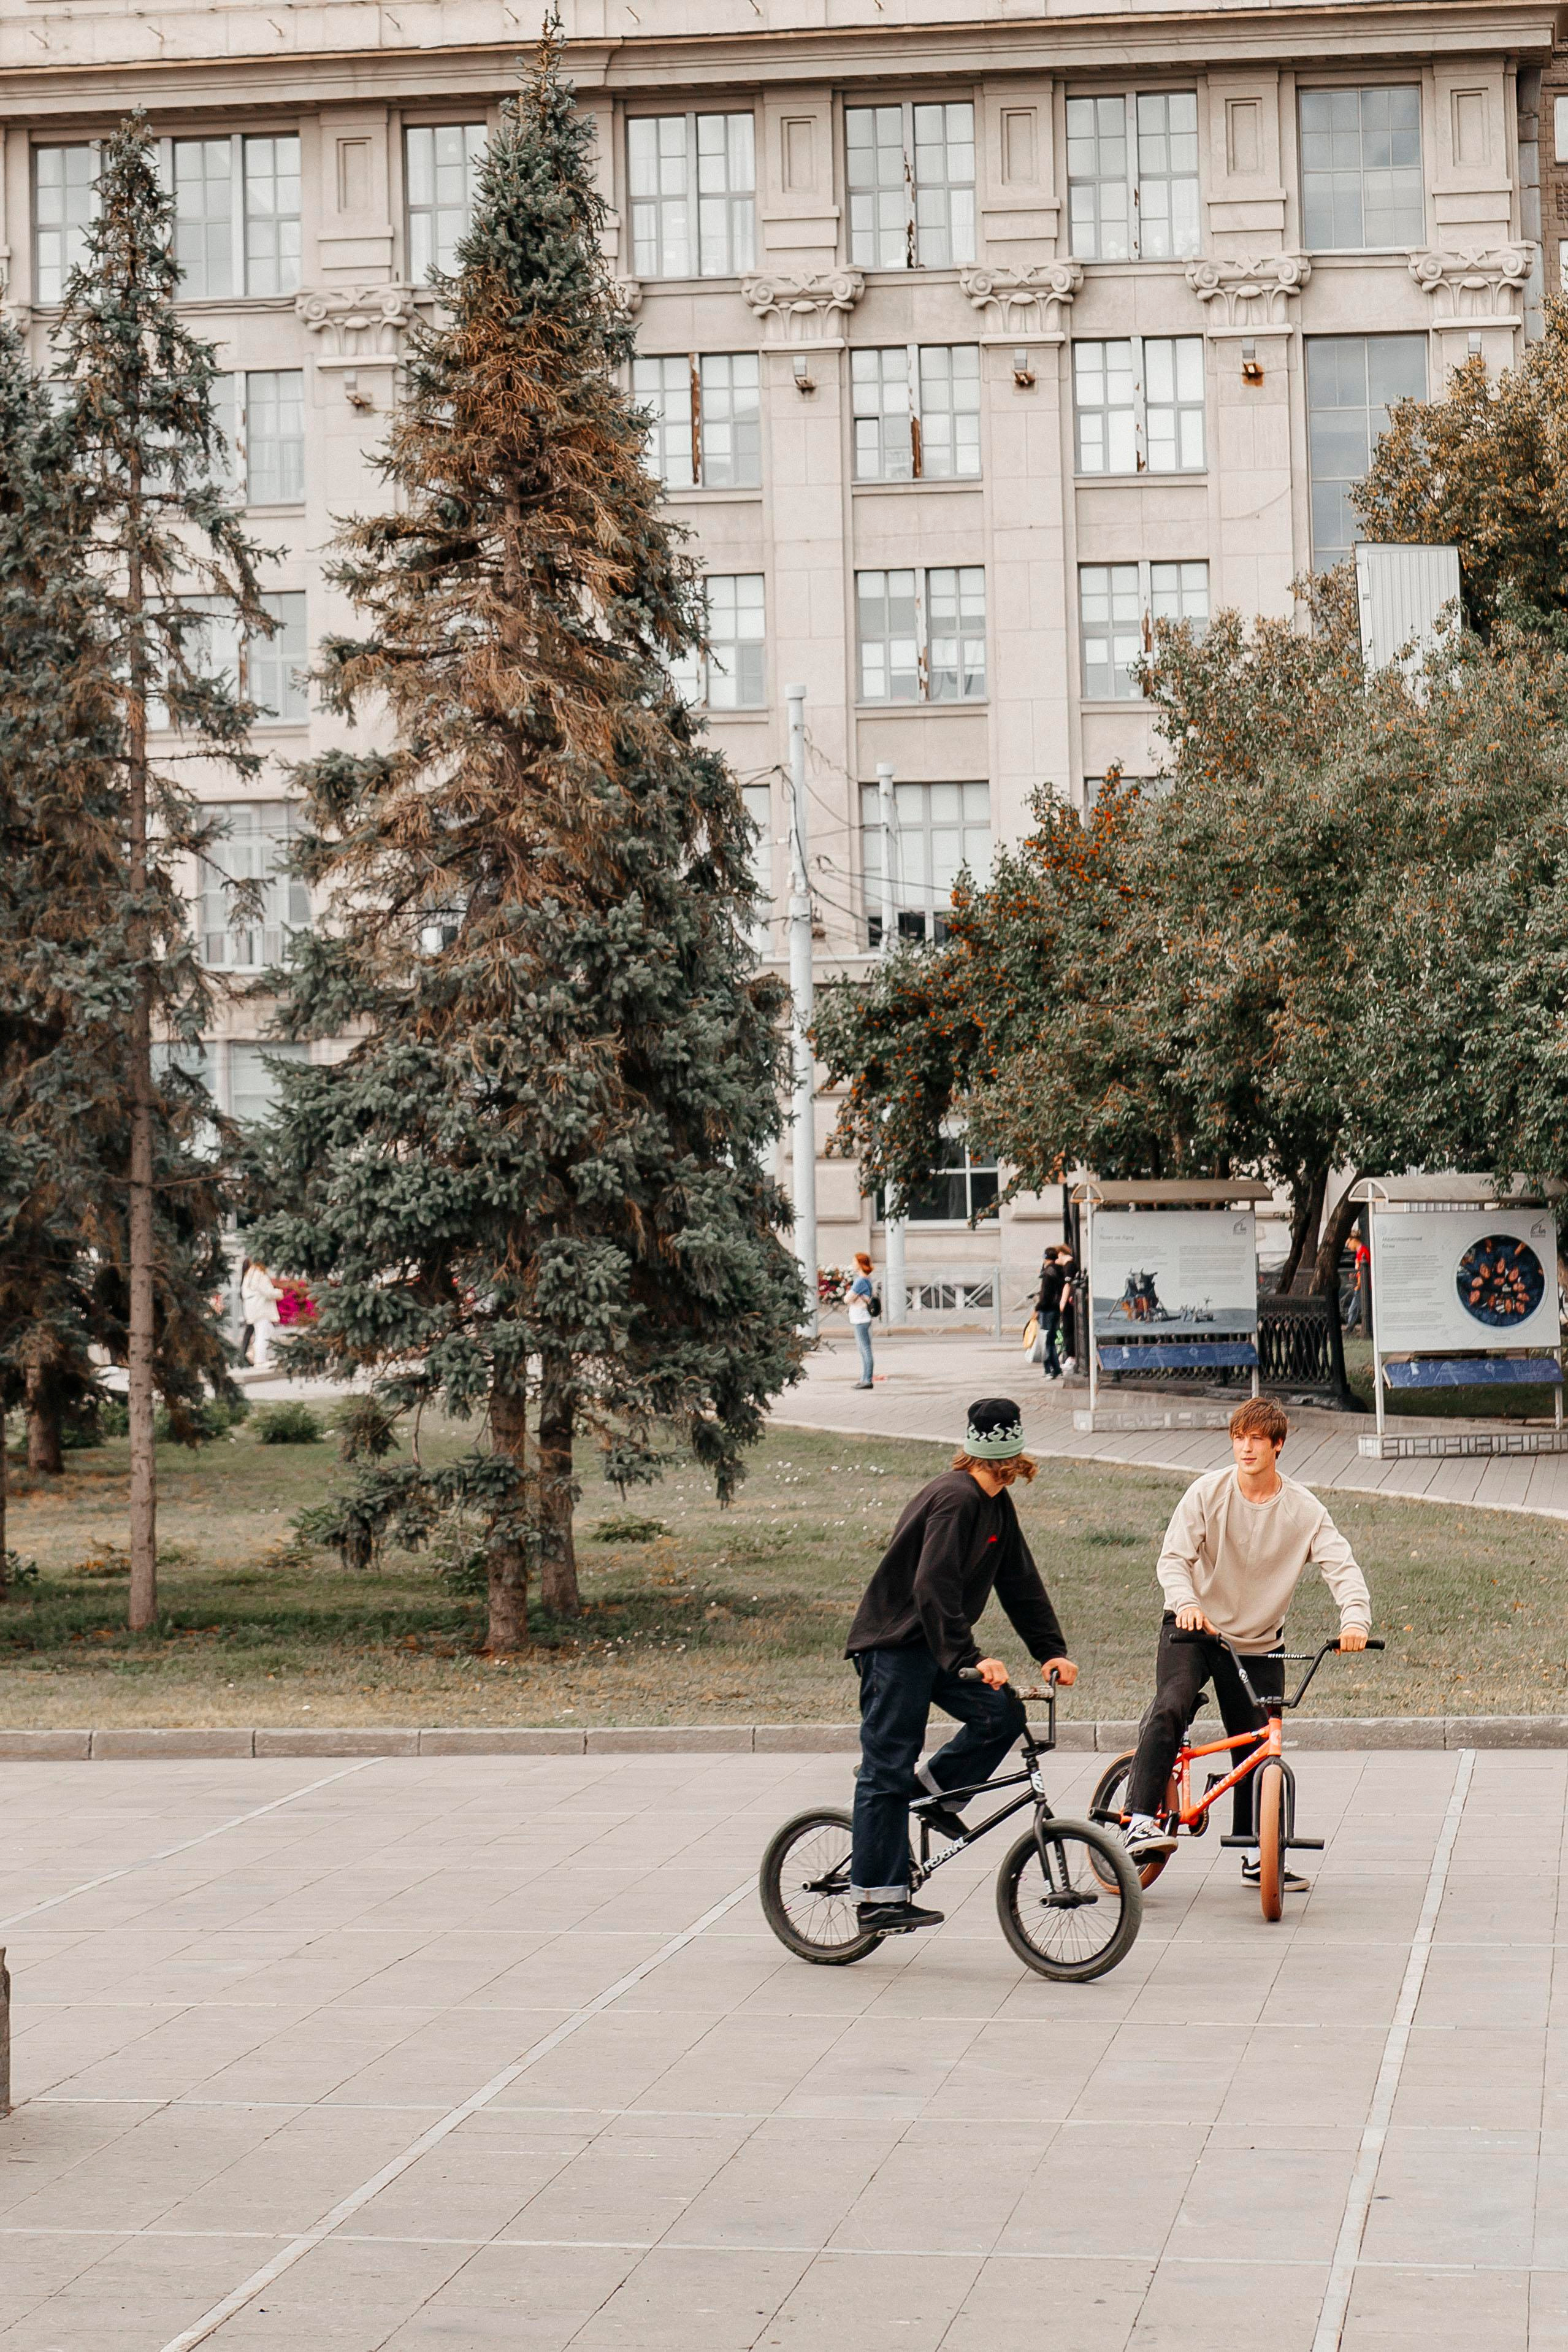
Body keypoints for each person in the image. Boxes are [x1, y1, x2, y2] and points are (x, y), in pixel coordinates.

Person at [844, 1396, 1077, 1934]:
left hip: (935, 1647)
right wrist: (970, 1657)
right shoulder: (954, 1498)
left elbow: (1019, 1581)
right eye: (1006, 1458)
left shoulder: (994, 1504)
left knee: (1001, 1714)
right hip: (895, 1647)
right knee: (886, 1769)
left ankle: (930, 1794)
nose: (1010, 1467)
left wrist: (1050, 1649)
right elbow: (932, 1585)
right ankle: (878, 1899)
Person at [1121, 1395, 1372, 1890]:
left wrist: (1355, 1620)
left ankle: (1258, 1849)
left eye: (1257, 1438)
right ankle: (1137, 1819)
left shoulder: (1303, 1509)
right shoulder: (1207, 1492)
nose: (1246, 1447)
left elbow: (1341, 1567)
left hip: (1257, 1640)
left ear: (1278, 1444)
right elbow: (1173, 1558)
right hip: (1194, 1627)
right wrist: (1185, 1600)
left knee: (1259, 1741)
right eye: (1239, 1437)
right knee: (1171, 1703)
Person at [240, 1258, 283, 1371]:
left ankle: (257, 1355)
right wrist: (279, 1293)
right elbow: (268, 1292)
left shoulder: (250, 1273)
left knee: (267, 1331)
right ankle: (260, 1360)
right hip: (261, 1309)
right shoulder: (259, 1273)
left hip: (253, 1308)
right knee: (263, 1334)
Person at [1034, 1247, 1069, 1383]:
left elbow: (1046, 1294)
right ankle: (1057, 1369)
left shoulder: (1049, 1273)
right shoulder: (1059, 1270)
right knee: (1051, 1340)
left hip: (1047, 1310)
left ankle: (1049, 1369)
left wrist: (1038, 1308)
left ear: (1046, 1258)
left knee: (1046, 1342)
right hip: (1055, 1309)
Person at [847, 1251, 876, 1389]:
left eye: (854, 1262)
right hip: (864, 1317)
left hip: (860, 1317)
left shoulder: (860, 1281)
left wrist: (846, 1296)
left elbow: (848, 1299)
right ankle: (865, 1378)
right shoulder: (868, 1280)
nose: (853, 1264)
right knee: (864, 1348)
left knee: (865, 1349)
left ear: (860, 1264)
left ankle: (867, 1380)